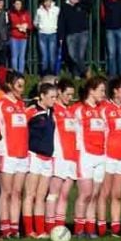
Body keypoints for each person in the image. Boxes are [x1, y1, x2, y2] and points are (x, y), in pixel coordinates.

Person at [72, 77, 107, 238]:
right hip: (85, 155)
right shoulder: (78, 109)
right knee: (85, 194)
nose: (103, 94)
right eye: (101, 90)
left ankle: (90, 229)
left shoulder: (101, 110)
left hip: (101, 156)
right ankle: (79, 229)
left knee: (94, 195)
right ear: (91, 91)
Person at [0, 71, 29, 239]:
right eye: (19, 86)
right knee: (6, 192)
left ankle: (15, 228)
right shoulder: (0, 103)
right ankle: (4, 228)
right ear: (9, 85)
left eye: (23, 86)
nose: (22, 90)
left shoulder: (22, 105)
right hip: (7, 153)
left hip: (22, 154)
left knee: (17, 192)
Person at [97, 77, 121, 237]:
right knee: (104, 193)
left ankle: (116, 228)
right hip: (109, 155)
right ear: (115, 91)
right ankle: (102, 227)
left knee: (117, 194)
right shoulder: (105, 108)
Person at [24, 83, 58, 239]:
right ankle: (29, 230)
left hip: (47, 158)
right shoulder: (31, 111)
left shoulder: (51, 112)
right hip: (34, 156)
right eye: (51, 97)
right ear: (42, 96)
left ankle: (40, 230)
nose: (54, 100)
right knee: (30, 194)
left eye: (55, 97)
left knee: (41, 196)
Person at [47, 79, 78, 232]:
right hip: (59, 156)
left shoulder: (71, 111)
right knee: (53, 193)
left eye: (72, 95)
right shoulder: (53, 110)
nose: (70, 97)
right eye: (67, 94)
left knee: (65, 195)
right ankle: (49, 226)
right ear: (59, 92)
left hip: (71, 157)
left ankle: (59, 227)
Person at [58, 0, 92, 79]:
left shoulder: (82, 5)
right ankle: (85, 70)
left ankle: (76, 74)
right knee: (72, 54)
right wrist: (61, 37)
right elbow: (61, 22)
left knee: (80, 55)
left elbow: (90, 4)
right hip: (70, 34)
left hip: (82, 33)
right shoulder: (64, 7)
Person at [33, 0, 60, 76]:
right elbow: (35, 22)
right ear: (43, 2)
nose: (47, 3)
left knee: (52, 55)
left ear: (51, 1)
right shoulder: (39, 11)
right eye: (45, 1)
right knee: (44, 55)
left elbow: (60, 19)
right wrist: (40, 27)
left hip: (52, 34)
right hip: (42, 34)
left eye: (49, 1)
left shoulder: (56, 9)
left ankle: (52, 72)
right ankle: (44, 73)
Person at [8, 0, 32, 74]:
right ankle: (15, 73)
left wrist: (26, 26)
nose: (18, 5)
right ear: (14, 5)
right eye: (16, 4)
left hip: (23, 38)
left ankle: (21, 74)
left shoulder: (26, 13)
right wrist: (16, 26)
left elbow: (30, 25)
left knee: (22, 57)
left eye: (19, 4)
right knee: (14, 56)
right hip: (14, 37)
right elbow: (9, 24)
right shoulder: (11, 13)